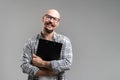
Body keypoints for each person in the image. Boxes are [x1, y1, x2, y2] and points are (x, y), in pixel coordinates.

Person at [21, 9, 73, 80]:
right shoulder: (30, 42)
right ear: (43, 18)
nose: (51, 21)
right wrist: (47, 73)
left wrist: (42, 63)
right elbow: (24, 66)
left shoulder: (64, 41)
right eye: (49, 17)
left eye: (55, 19)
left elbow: (67, 63)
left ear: (58, 23)